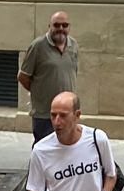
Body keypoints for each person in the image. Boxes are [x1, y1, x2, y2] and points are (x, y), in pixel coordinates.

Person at [17, 11, 79, 143]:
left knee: (65, 147)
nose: (61, 29)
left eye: (64, 25)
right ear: (49, 26)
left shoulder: (73, 45)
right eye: (56, 25)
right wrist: (39, 92)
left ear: (69, 27)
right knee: (43, 148)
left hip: (67, 112)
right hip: (44, 113)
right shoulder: (38, 46)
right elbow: (23, 76)